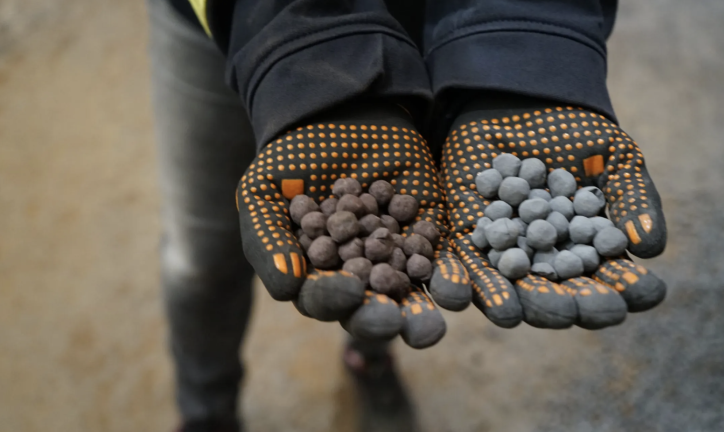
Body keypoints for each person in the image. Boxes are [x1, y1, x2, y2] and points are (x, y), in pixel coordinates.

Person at [147, 0, 668, 431]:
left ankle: (368, 357)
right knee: (202, 258)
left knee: (382, 283)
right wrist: (299, 52)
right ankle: (206, 411)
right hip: (230, 15)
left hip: (437, 20)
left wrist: (521, 45)